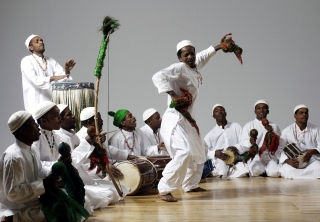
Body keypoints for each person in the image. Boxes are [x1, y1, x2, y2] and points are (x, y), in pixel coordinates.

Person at [152, 38, 223, 202]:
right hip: (175, 120)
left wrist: (220, 46)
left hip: (188, 121)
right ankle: (164, 189)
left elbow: (204, 55)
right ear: (180, 58)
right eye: (186, 55)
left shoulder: (194, 66)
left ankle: (190, 184)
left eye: (192, 53)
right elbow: (157, 76)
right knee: (183, 153)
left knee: (201, 151)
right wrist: (173, 94)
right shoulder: (180, 68)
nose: (190, 57)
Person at [56, 105, 130, 211]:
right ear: (91, 122)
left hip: (89, 174)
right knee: (108, 194)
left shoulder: (73, 135)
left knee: (116, 190)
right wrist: (103, 168)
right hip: (83, 176)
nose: (73, 116)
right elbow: (78, 163)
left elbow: (98, 153)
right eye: (98, 118)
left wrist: (99, 144)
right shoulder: (68, 137)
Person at [0, 111, 57, 221]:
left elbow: (39, 172)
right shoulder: (13, 157)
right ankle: (13, 218)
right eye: (33, 123)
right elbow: (12, 193)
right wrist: (43, 184)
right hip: (17, 207)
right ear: (23, 131)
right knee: (57, 213)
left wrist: (54, 173)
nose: (37, 125)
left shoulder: (31, 150)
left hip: (32, 202)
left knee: (68, 204)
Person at [21, 34, 76, 112]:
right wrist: (52, 78)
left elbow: (61, 80)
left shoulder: (50, 60)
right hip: (35, 104)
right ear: (31, 47)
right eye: (37, 41)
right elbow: (34, 80)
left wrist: (67, 71)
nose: (41, 42)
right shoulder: (26, 60)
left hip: (51, 103)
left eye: (41, 40)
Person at [204, 104, 248, 178]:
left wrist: (236, 147)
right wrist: (215, 153)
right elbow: (203, 150)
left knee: (244, 172)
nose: (220, 112)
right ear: (213, 116)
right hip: (220, 161)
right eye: (216, 111)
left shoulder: (235, 126)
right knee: (221, 172)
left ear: (225, 113)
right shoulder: (211, 134)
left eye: (222, 110)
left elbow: (245, 142)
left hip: (236, 160)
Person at [240, 100, 281, 177]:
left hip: (270, 157)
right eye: (258, 108)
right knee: (256, 172)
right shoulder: (248, 126)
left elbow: (279, 143)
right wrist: (250, 142)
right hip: (256, 157)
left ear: (268, 111)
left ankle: (268, 171)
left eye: (264, 108)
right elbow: (243, 143)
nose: (261, 110)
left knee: (274, 173)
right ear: (255, 111)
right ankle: (263, 171)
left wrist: (272, 133)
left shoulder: (274, 126)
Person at [278, 105, 320, 179]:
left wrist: (313, 151)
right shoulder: (286, 131)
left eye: (306, 113)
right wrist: (288, 161)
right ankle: (308, 176)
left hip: (310, 160)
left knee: (318, 169)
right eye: (301, 113)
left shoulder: (316, 129)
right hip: (294, 162)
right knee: (287, 170)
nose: (304, 115)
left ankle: (299, 177)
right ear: (295, 116)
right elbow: (280, 149)